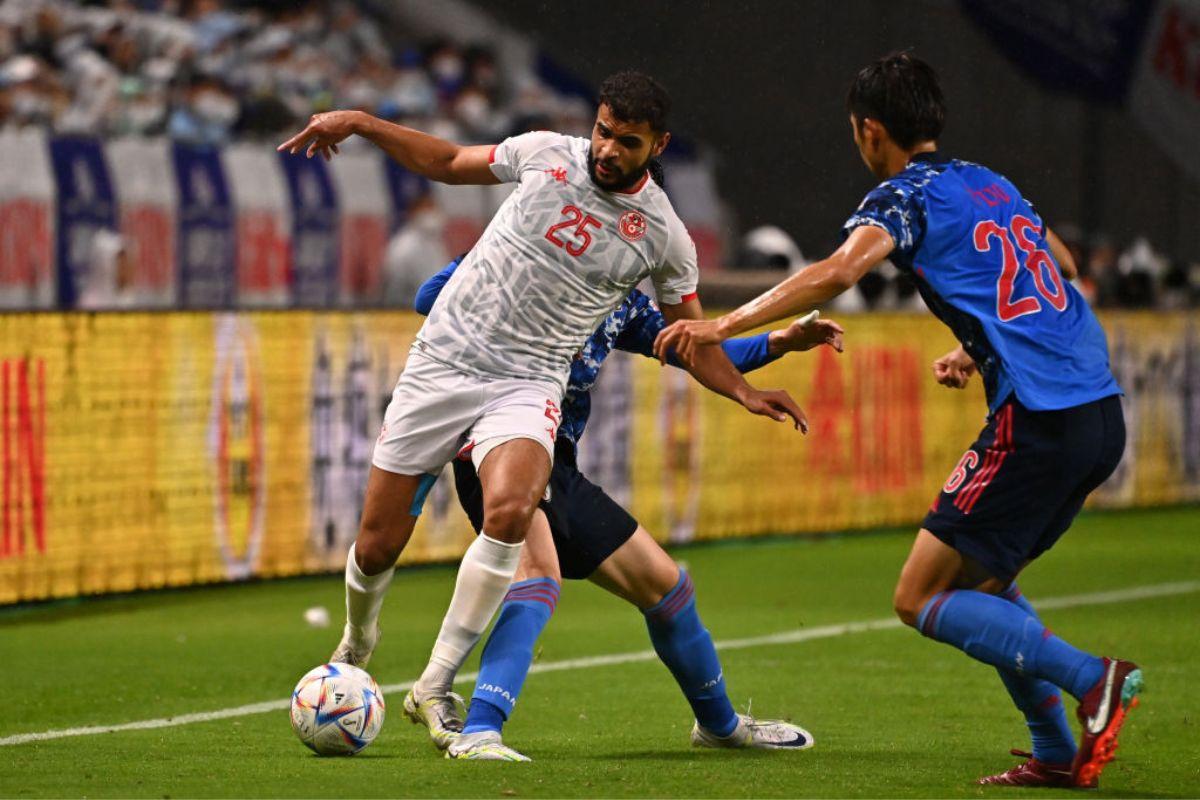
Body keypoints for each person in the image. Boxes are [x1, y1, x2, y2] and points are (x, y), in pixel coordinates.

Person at [276, 70, 806, 759]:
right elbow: (447, 162)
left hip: (526, 384)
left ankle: (437, 685)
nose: (608, 149)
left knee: (514, 514)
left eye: (628, 142)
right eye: (604, 131)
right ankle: (359, 639)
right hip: (442, 365)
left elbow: (686, 337)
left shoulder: (663, 236)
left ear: (658, 146)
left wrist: (743, 389)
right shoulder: (545, 154)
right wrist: (363, 123)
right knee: (377, 545)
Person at [653, 52, 1138, 789]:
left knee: (919, 597)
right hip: (1098, 411)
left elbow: (839, 271)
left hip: (1038, 419)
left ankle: (1091, 680)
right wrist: (977, 348)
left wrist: (723, 325)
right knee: (984, 581)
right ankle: (1054, 749)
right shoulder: (991, 184)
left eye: (857, 132)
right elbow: (1059, 268)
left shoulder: (904, 197)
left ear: (871, 131)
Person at [402, 255, 842, 760]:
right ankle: (479, 731)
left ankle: (720, 726)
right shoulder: (524, 254)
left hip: (554, 460)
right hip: (497, 446)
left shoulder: (622, 304)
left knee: (667, 589)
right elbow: (427, 298)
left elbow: (695, 351)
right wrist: (506, 278)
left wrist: (780, 342)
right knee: (537, 575)